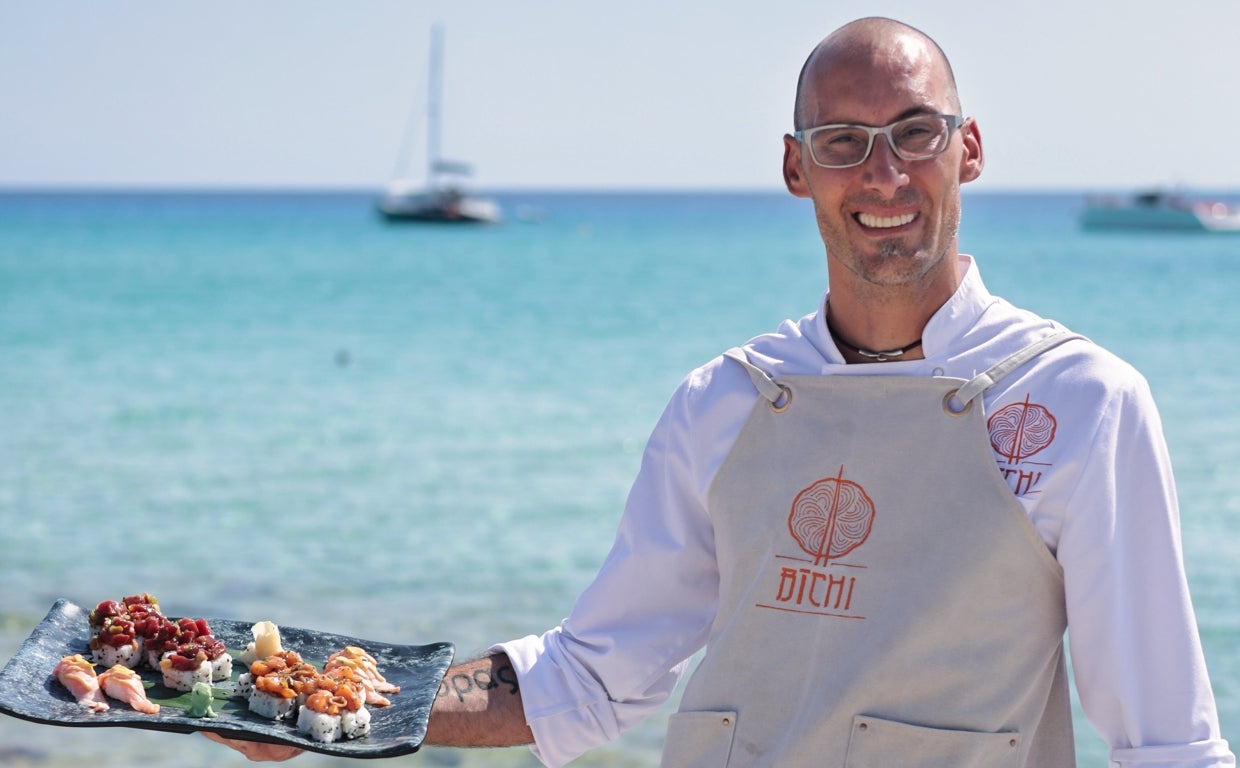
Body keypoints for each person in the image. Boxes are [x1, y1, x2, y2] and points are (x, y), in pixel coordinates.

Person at [213, 17, 1234, 767]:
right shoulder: (726, 402)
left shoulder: (1081, 401)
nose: (882, 175)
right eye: (842, 143)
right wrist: (340, 700)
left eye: (914, 133)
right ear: (796, 169)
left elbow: (1165, 741)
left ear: (968, 148)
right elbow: (589, 674)